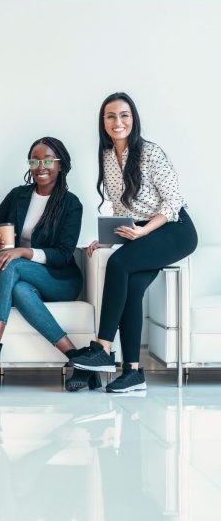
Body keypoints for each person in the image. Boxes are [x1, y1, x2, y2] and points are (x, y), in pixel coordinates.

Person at [71, 92, 198, 392]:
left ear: (134, 119)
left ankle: (102, 347)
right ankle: (133, 372)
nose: (118, 122)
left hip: (174, 228)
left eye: (124, 115)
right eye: (111, 116)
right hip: (140, 231)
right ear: (103, 123)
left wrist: (143, 232)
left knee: (119, 264)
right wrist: (106, 239)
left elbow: (173, 202)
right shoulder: (107, 157)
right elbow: (122, 210)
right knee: (132, 288)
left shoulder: (150, 152)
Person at [0, 137, 88, 388]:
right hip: (23, 279)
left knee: (12, 264)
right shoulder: (18, 196)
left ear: (61, 165)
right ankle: (78, 359)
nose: (41, 166)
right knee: (17, 287)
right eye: (34, 160)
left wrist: (23, 253)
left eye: (48, 160)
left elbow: (63, 254)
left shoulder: (71, 204)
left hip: (61, 279)